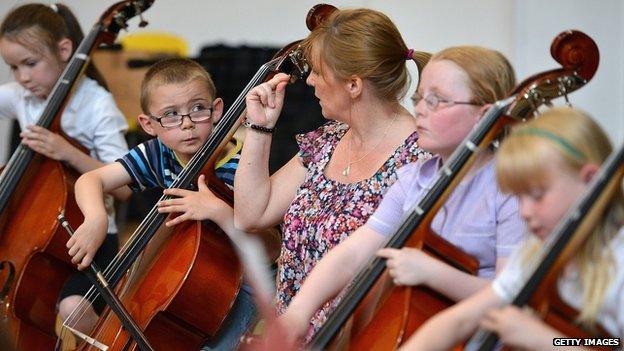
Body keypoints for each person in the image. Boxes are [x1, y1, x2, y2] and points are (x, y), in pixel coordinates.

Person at [277, 45, 526, 342]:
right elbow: (354, 252)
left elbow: (515, 292)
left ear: (484, 115)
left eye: (437, 101)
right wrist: (297, 314)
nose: (419, 109)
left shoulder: (512, 189)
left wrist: (434, 274)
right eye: (420, 98)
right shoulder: (416, 178)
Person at [234, 7, 429, 336]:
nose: (309, 80)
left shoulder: (418, 158)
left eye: (318, 73)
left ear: (353, 84)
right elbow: (251, 214)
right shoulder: (329, 138)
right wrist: (259, 128)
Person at [71, 57, 273, 350]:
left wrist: (217, 211)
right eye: (170, 115)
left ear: (217, 110)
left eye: (197, 109)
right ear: (149, 125)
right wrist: (95, 218)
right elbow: (90, 180)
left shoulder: (244, 166)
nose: (187, 124)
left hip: (242, 279)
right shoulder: (158, 154)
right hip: (183, 267)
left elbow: (269, 248)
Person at [404, 107, 624, 350]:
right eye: (519, 197)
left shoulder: (618, 263)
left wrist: (547, 341)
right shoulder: (535, 252)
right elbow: (457, 321)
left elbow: (611, 344)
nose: (524, 212)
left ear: (591, 180)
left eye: (538, 195)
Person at [0, 2, 129, 334]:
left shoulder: (96, 104)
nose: (22, 77)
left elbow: (124, 187)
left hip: (93, 238)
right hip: (31, 236)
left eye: (30, 64)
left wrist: (67, 152)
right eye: (13, 68)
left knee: (73, 310)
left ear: (64, 49)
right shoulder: (22, 96)